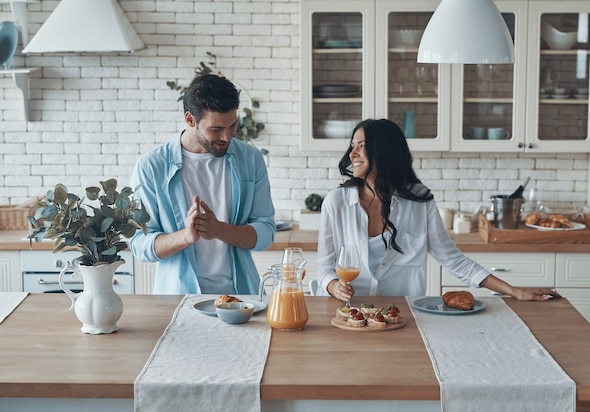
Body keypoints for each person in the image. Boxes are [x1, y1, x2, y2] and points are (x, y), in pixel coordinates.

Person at [316, 118, 561, 302]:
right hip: (349, 314)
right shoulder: (336, 203)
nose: (352, 153)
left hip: (402, 317)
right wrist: (333, 285)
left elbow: (452, 259)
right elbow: (324, 268)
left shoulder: (419, 201)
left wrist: (514, 291)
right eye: (352, 146)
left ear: (384, 151)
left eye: (361, 146)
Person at [130, 74, 275, 295]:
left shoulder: (250, 159)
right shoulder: (151, 167)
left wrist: (219, 230)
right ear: (190, 119)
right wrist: (186, 237)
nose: (226, 137)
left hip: (242, 298)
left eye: (233, 126)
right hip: (177, 300)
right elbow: (139, 244)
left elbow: (266, 231)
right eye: (216, 129)